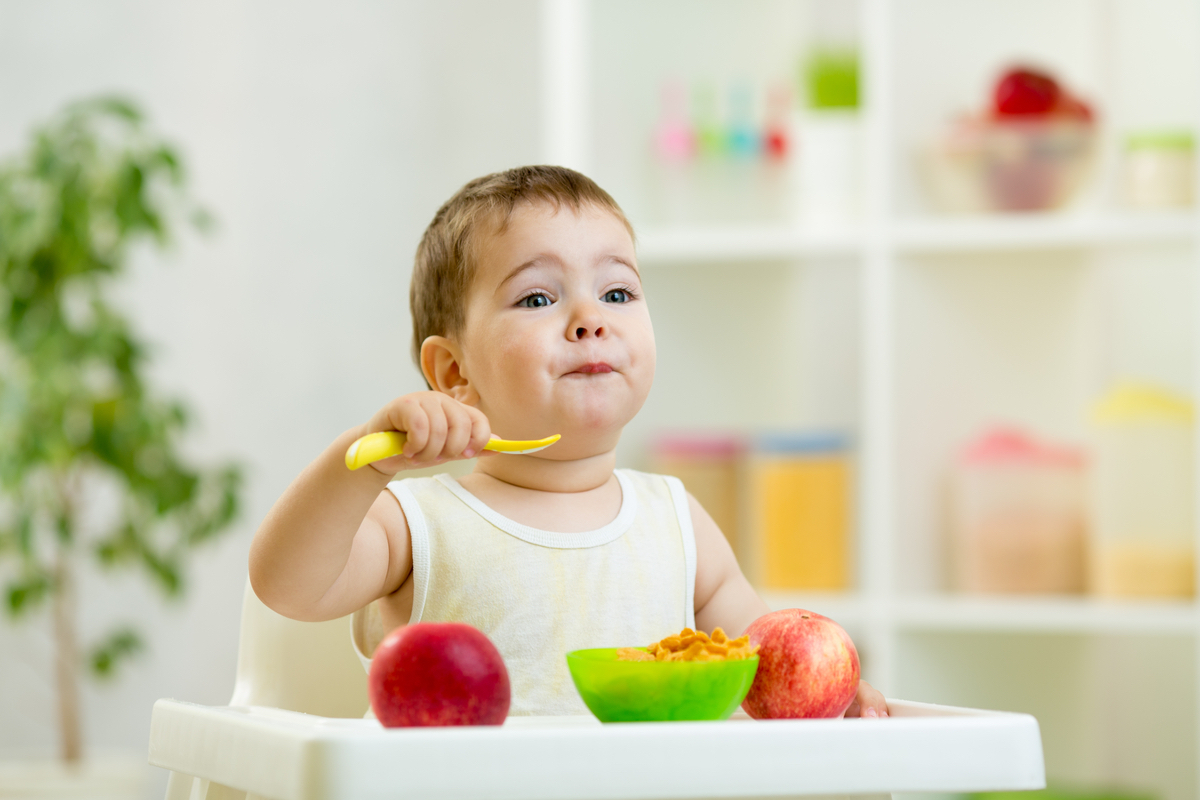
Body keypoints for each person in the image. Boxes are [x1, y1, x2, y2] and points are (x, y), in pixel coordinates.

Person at [249, 165, 888, 718]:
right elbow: (287, 585)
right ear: (453, 374)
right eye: (537, 297)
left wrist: (831, 694)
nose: (591, 319)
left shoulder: (678, 523)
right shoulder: (418, 524)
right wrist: (363, 461)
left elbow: (764, 670)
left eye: (617, 292)